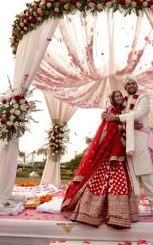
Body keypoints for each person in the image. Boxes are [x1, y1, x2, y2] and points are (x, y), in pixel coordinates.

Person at [61, 90, 139, 229]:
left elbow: (121, 125)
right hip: (108, 152)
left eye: (121, 95)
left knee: (118, 181)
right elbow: (110, 129)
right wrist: (125, 126)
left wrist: (129, 125)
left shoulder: (121, 111)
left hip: (118, 151)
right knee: (100, 180)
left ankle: (116, 214)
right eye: (117, 96)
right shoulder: (111, 111)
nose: (119, 97)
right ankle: (92, 212)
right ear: (112, 99)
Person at [103, 75, 153, 223]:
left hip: (141, 141)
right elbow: (114, 113)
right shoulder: (124, 102)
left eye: (133, 83)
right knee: (131, 180)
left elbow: (138, 114)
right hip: (126, 143)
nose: (131, 85)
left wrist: (118, 119)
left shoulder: (143, 98)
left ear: (136, 85)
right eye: (128, 84)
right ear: (125, 87)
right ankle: (134, 210)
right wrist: (107, 115)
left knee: (147, 177)